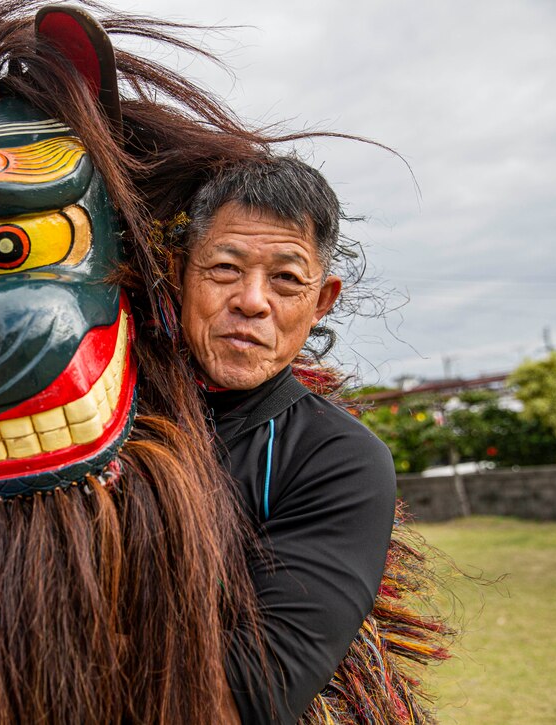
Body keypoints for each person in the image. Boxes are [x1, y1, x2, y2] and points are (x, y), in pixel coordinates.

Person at [176, 155, 399, 724]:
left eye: (286, 279)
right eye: (224, 268)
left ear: (321, 300)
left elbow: (244, 700)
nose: (252, 300)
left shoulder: (336, 459)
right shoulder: (93, 414)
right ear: (182, 272)